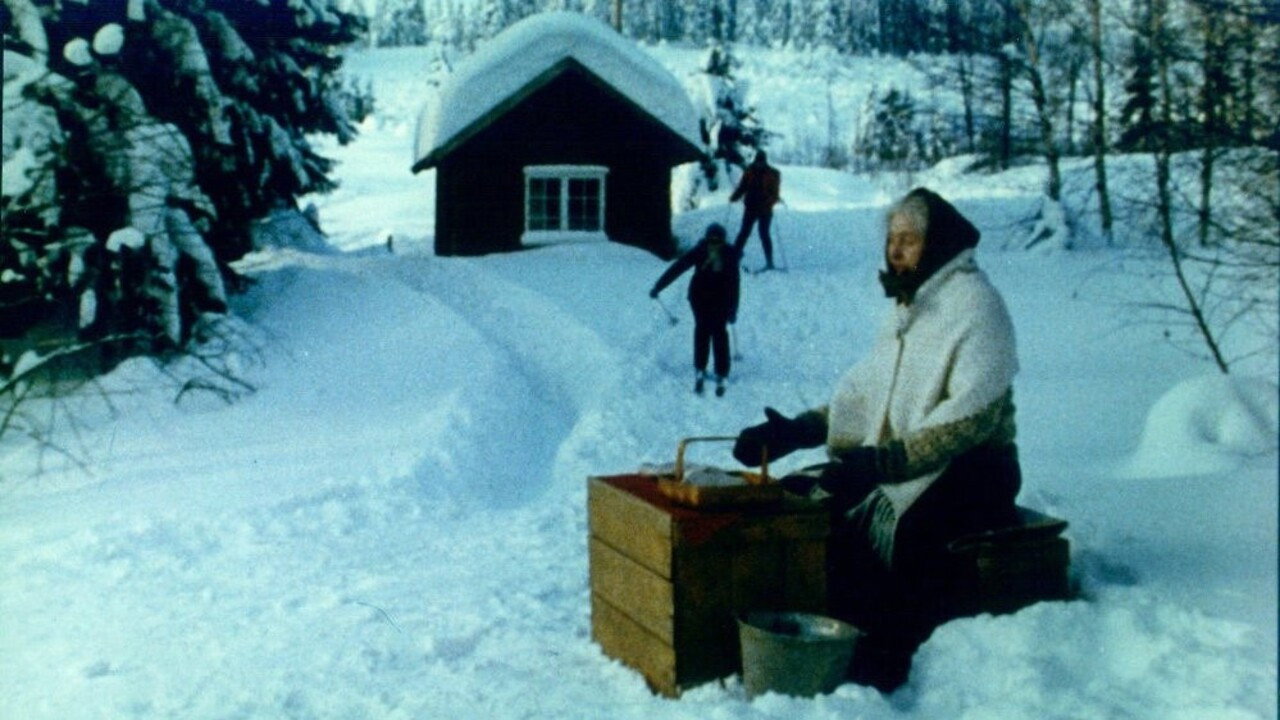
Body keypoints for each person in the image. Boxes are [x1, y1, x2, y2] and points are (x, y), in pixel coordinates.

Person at [731, 187, 1022, 689]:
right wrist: (795, 431)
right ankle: (828, 633)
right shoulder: (909, 310)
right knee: (808, 496)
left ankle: (887, 659)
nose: (896, 251)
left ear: (939, 243)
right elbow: (867, 397)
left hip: (977, 469)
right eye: (892, 240)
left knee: (898, 530)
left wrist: (884, 464)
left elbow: (972, 420)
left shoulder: (977, 306)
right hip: (907, 462)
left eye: (909, 240)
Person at [650, 223, 741, 396]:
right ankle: (721, 371)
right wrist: (733, 309)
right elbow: (734, 284)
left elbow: (678, 268)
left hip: (699, 298)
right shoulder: (729, 254)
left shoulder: (701, 250)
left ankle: (700, 367)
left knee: (702, 331)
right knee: (719, 332)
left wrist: (658, 286)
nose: (714, 243)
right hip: (718, 299)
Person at [729, 150, 781, 270]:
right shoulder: (749, 171)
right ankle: (734, 259)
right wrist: (735, 196)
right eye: (757, 161)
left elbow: (775, 194)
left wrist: (768, 202)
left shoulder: (773, 173)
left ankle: (769, 262)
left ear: (764, 161)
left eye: (761, 162)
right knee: (744, 233)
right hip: (751, 207)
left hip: (765, 209)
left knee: (763, 234)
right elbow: (743, 186)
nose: (759, 164)